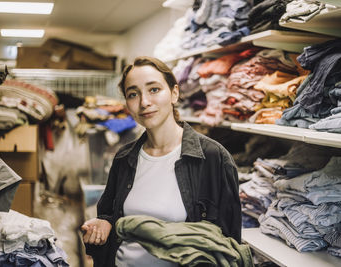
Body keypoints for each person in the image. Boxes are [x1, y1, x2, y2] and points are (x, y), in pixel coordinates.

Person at [81, 56, 242, 267]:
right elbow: (110, 216)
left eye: (154, 89)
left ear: (174, 93)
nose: (144, 102)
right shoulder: (124, 159)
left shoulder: (213, 158)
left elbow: (228, 246)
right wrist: (103, 224)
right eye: (133, 94)